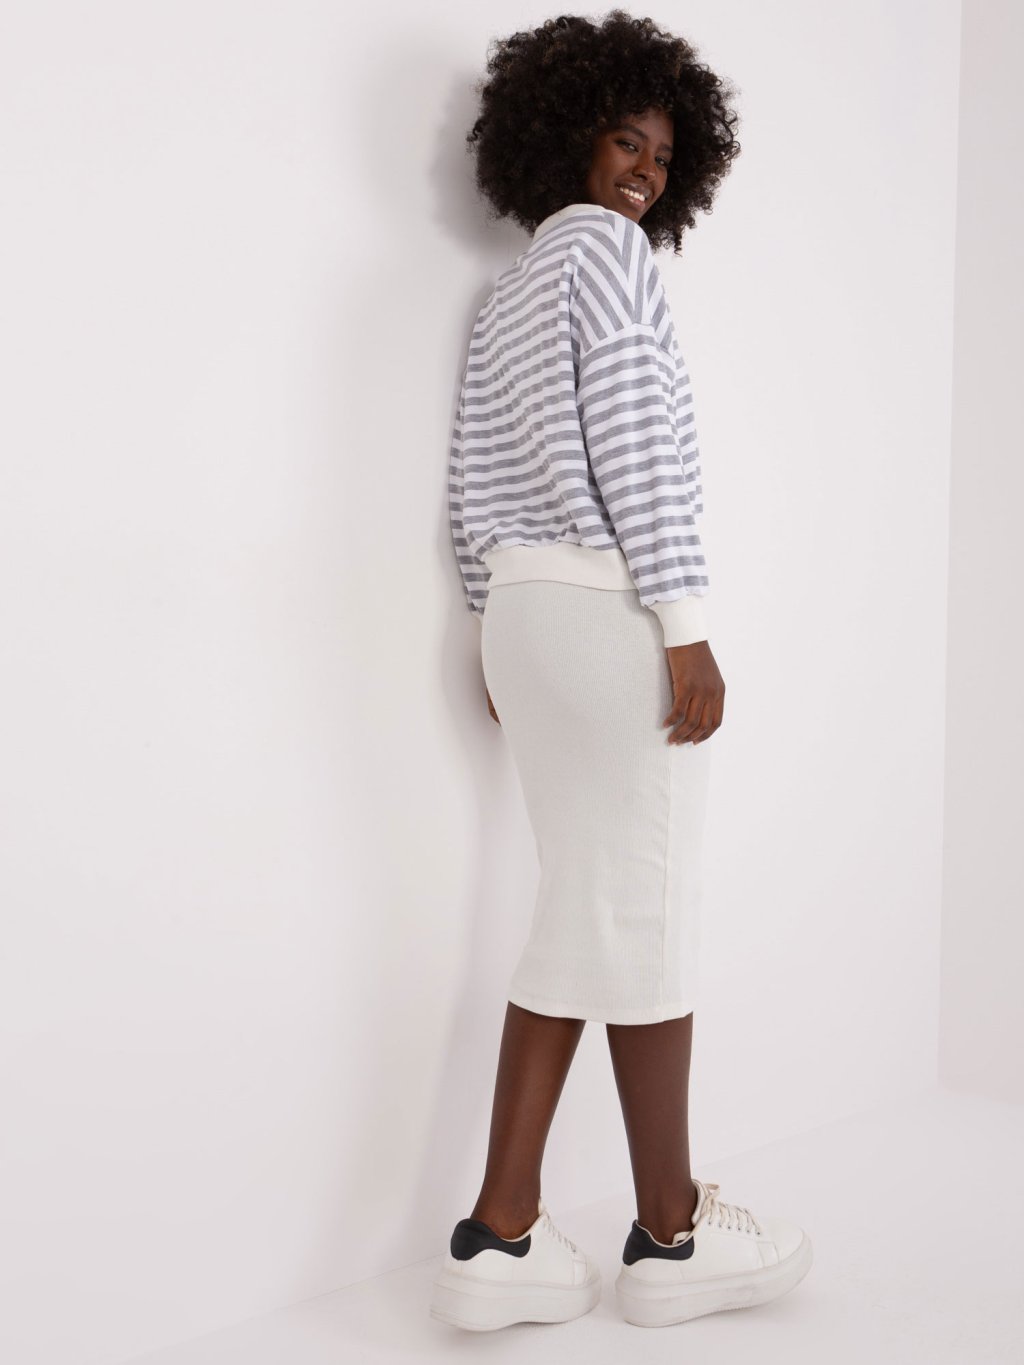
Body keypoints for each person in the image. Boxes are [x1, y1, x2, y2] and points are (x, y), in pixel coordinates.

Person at [430, 10, 812, 1332]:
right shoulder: (609, 254)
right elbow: (641, 439)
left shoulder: (509, 288)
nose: (645, 169)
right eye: (625, 139)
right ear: (569, 137)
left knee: (581, 912)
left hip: (526, 619)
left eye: (662, 151)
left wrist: (490, 622)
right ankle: (670, 1233)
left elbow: (473, 476)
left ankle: (501, 1232)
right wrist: (684, 621)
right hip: (606, 609)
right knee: (639, 916)